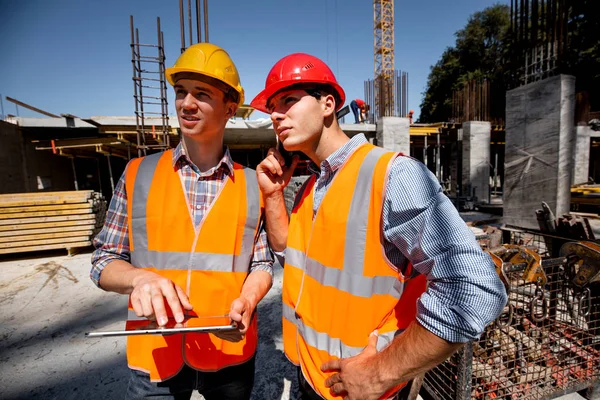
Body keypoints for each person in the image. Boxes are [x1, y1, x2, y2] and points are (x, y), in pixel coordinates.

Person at [250, 53, 507, 400]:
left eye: (289, 101)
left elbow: (474, 288)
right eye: (272, 107)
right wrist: (273, 196)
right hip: (313, 375)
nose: (276, 115)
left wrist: (381, 373)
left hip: (362, 388)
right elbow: (290, 255)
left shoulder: (392, 175)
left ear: (328, 104)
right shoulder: (312, 187)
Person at [90, 43, 273, 399]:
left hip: (228, 352)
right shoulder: (137, 174)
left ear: (230, 108)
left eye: (202, 94)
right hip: (155, 355)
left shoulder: (253, 185)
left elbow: (262, 262)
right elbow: (103, 261)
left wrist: (248, 301)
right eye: (181, 92)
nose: (186, 103)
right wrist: (139, 279)